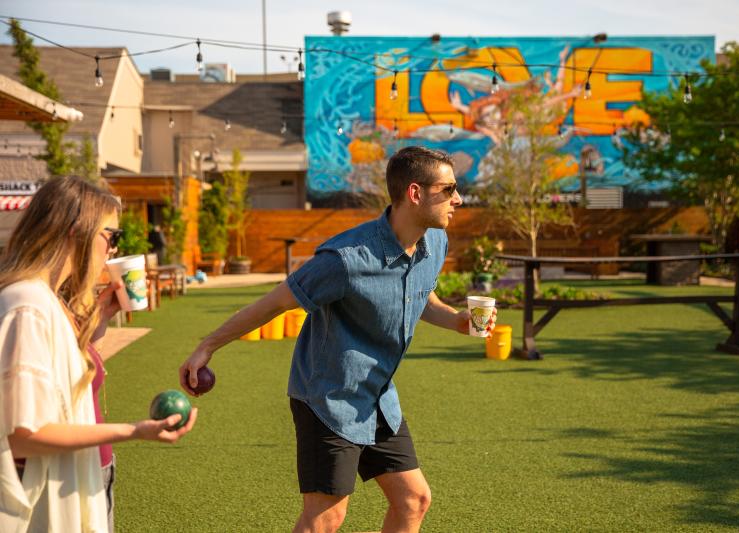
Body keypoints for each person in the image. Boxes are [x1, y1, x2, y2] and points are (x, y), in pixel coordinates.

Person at [180, 146, 496, 533]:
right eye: (448, 189)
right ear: (415, 193)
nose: (458, 199)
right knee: (326, 517)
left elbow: (421, 297)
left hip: (378, 396)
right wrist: (206, 346)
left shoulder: (434, 244)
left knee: (413, 500)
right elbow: (274, 303)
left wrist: (457, 321)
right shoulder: (345, 260)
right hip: (328, 396)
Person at [0, 176, 198, 533]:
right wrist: (134, 430)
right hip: (50, 497)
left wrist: (97, 322)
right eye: (112, 236)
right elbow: (22, 434)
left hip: (85, 476)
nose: (113, 250)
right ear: (76, 231)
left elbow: (63, 385)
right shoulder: (27, 305)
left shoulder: (49, 299)